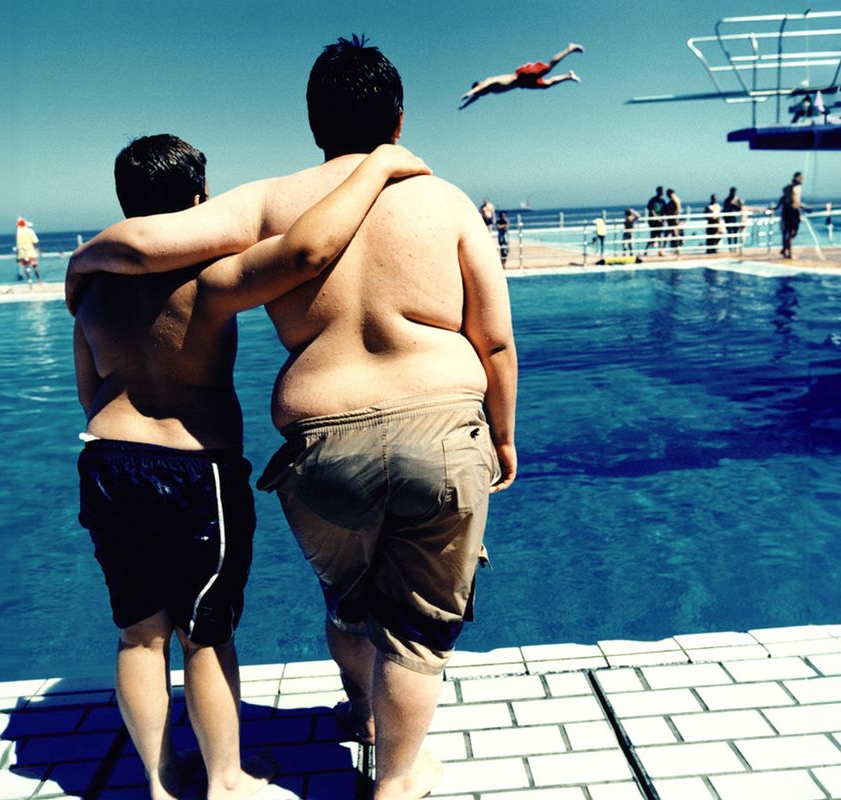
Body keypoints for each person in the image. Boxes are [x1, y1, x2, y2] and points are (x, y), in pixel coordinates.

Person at [67, 36, 517, 800]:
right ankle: (397, 778)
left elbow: (145, 247)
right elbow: (496, 340)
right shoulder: (442, 199)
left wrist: (78, 268)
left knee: (345, 599)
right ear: (400, 119)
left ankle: (340, 719)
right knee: (411, 630)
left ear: (312, 121)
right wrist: (503, 435)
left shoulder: (270, 201)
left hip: (316, 447)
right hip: (438, 433)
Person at [75, 134, 429, 800]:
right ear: (199, 200)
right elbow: (305, 249)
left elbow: (86, 387)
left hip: (106, 460)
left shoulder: (92, 292)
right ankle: (226, 780)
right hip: (194, 468)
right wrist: (379, 164)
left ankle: (158, 782)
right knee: (204, 633)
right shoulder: (208, 279)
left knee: (138, 633)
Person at [458, 43, 583, 110]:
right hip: (522, 84)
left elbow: (480, 88)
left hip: (521, 75)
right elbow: (476, 97)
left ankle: (569, 48)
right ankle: (568, 76)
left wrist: (469, 92)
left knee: (547, 69)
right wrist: (465, 105)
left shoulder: (488, 82)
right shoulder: (488, 91)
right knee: (547, 85)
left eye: (479, 92)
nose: (480, 95)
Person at [778, 172, 803, 259]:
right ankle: (789, 252)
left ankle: (785, 248)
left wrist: (804, 208)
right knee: (788, 233)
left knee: (793, 232)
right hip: (789, 213)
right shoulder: (791, 189)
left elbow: (797, 201)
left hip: (795, 212)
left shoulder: (798, 188)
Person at [16, 217, 41, 284]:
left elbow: (18, 245)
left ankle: (29, 280)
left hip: (22, 253)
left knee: (26, 267)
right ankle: (39, 280)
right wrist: (38, 250)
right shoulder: (30, 231)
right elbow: (35, 242)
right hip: (30, 252)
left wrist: (17, 256)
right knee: (35, 267)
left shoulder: (18, 232)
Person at [645, 186, 667, 254]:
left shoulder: (663, 201)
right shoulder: (652, 200)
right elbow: (651, 209)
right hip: (653, 221)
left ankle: (660, 250)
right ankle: (646, 249)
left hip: (660, 221)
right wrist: (656, 217)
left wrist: (663, 218)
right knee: (653, 235)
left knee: (660, 235)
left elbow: (664, 210)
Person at [664, 188, 683, 253]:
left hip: (673, 219)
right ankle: (676, 248)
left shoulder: (675, 199)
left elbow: (678, 209)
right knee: (669, 234)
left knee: (674, 234)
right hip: (671, 219)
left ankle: (677, 249)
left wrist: (675, 217)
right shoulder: (673, 200)